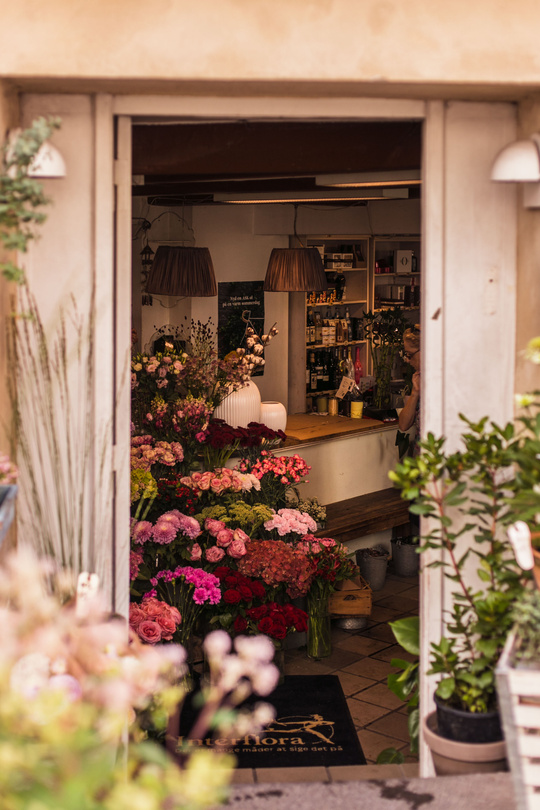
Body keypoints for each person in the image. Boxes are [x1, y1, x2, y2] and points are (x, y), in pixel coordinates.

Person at [398, 325, 421, 452]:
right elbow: (403, 425)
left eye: (410, 355)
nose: (407, 360)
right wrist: (415, 393)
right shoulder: (418, 379)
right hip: (423, 458)